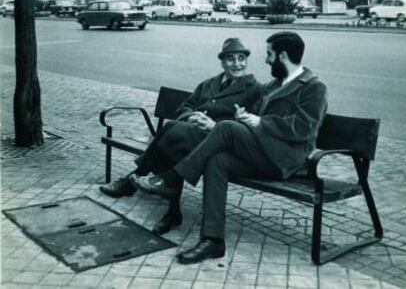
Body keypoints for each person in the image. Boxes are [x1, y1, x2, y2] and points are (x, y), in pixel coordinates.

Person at [131, 31, 328, 264]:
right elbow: (257, 115)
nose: (266, 60)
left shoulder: (313, 86)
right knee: (217, 161)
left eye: (269, 54)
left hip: (285, 160)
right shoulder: (275, 84)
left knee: (224, 128)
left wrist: (260, 122)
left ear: (282, 56)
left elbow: (305, 128)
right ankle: (213, 240)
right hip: (262, 151)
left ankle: (172, 178)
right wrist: (245, 116)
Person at [100, 37, 261, 235]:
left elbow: (251, 127)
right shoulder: (209, 83)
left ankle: (136, 180)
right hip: (192, 138)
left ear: (246, 60)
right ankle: (171, 211)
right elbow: (185, 106)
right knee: (175, 142)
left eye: (241, 58)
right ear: (222, 61)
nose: (237, 64)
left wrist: (214, 125)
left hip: (219, 145)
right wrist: (192, 117)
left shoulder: (254, 89)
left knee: (171, 132)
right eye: (231, 59)